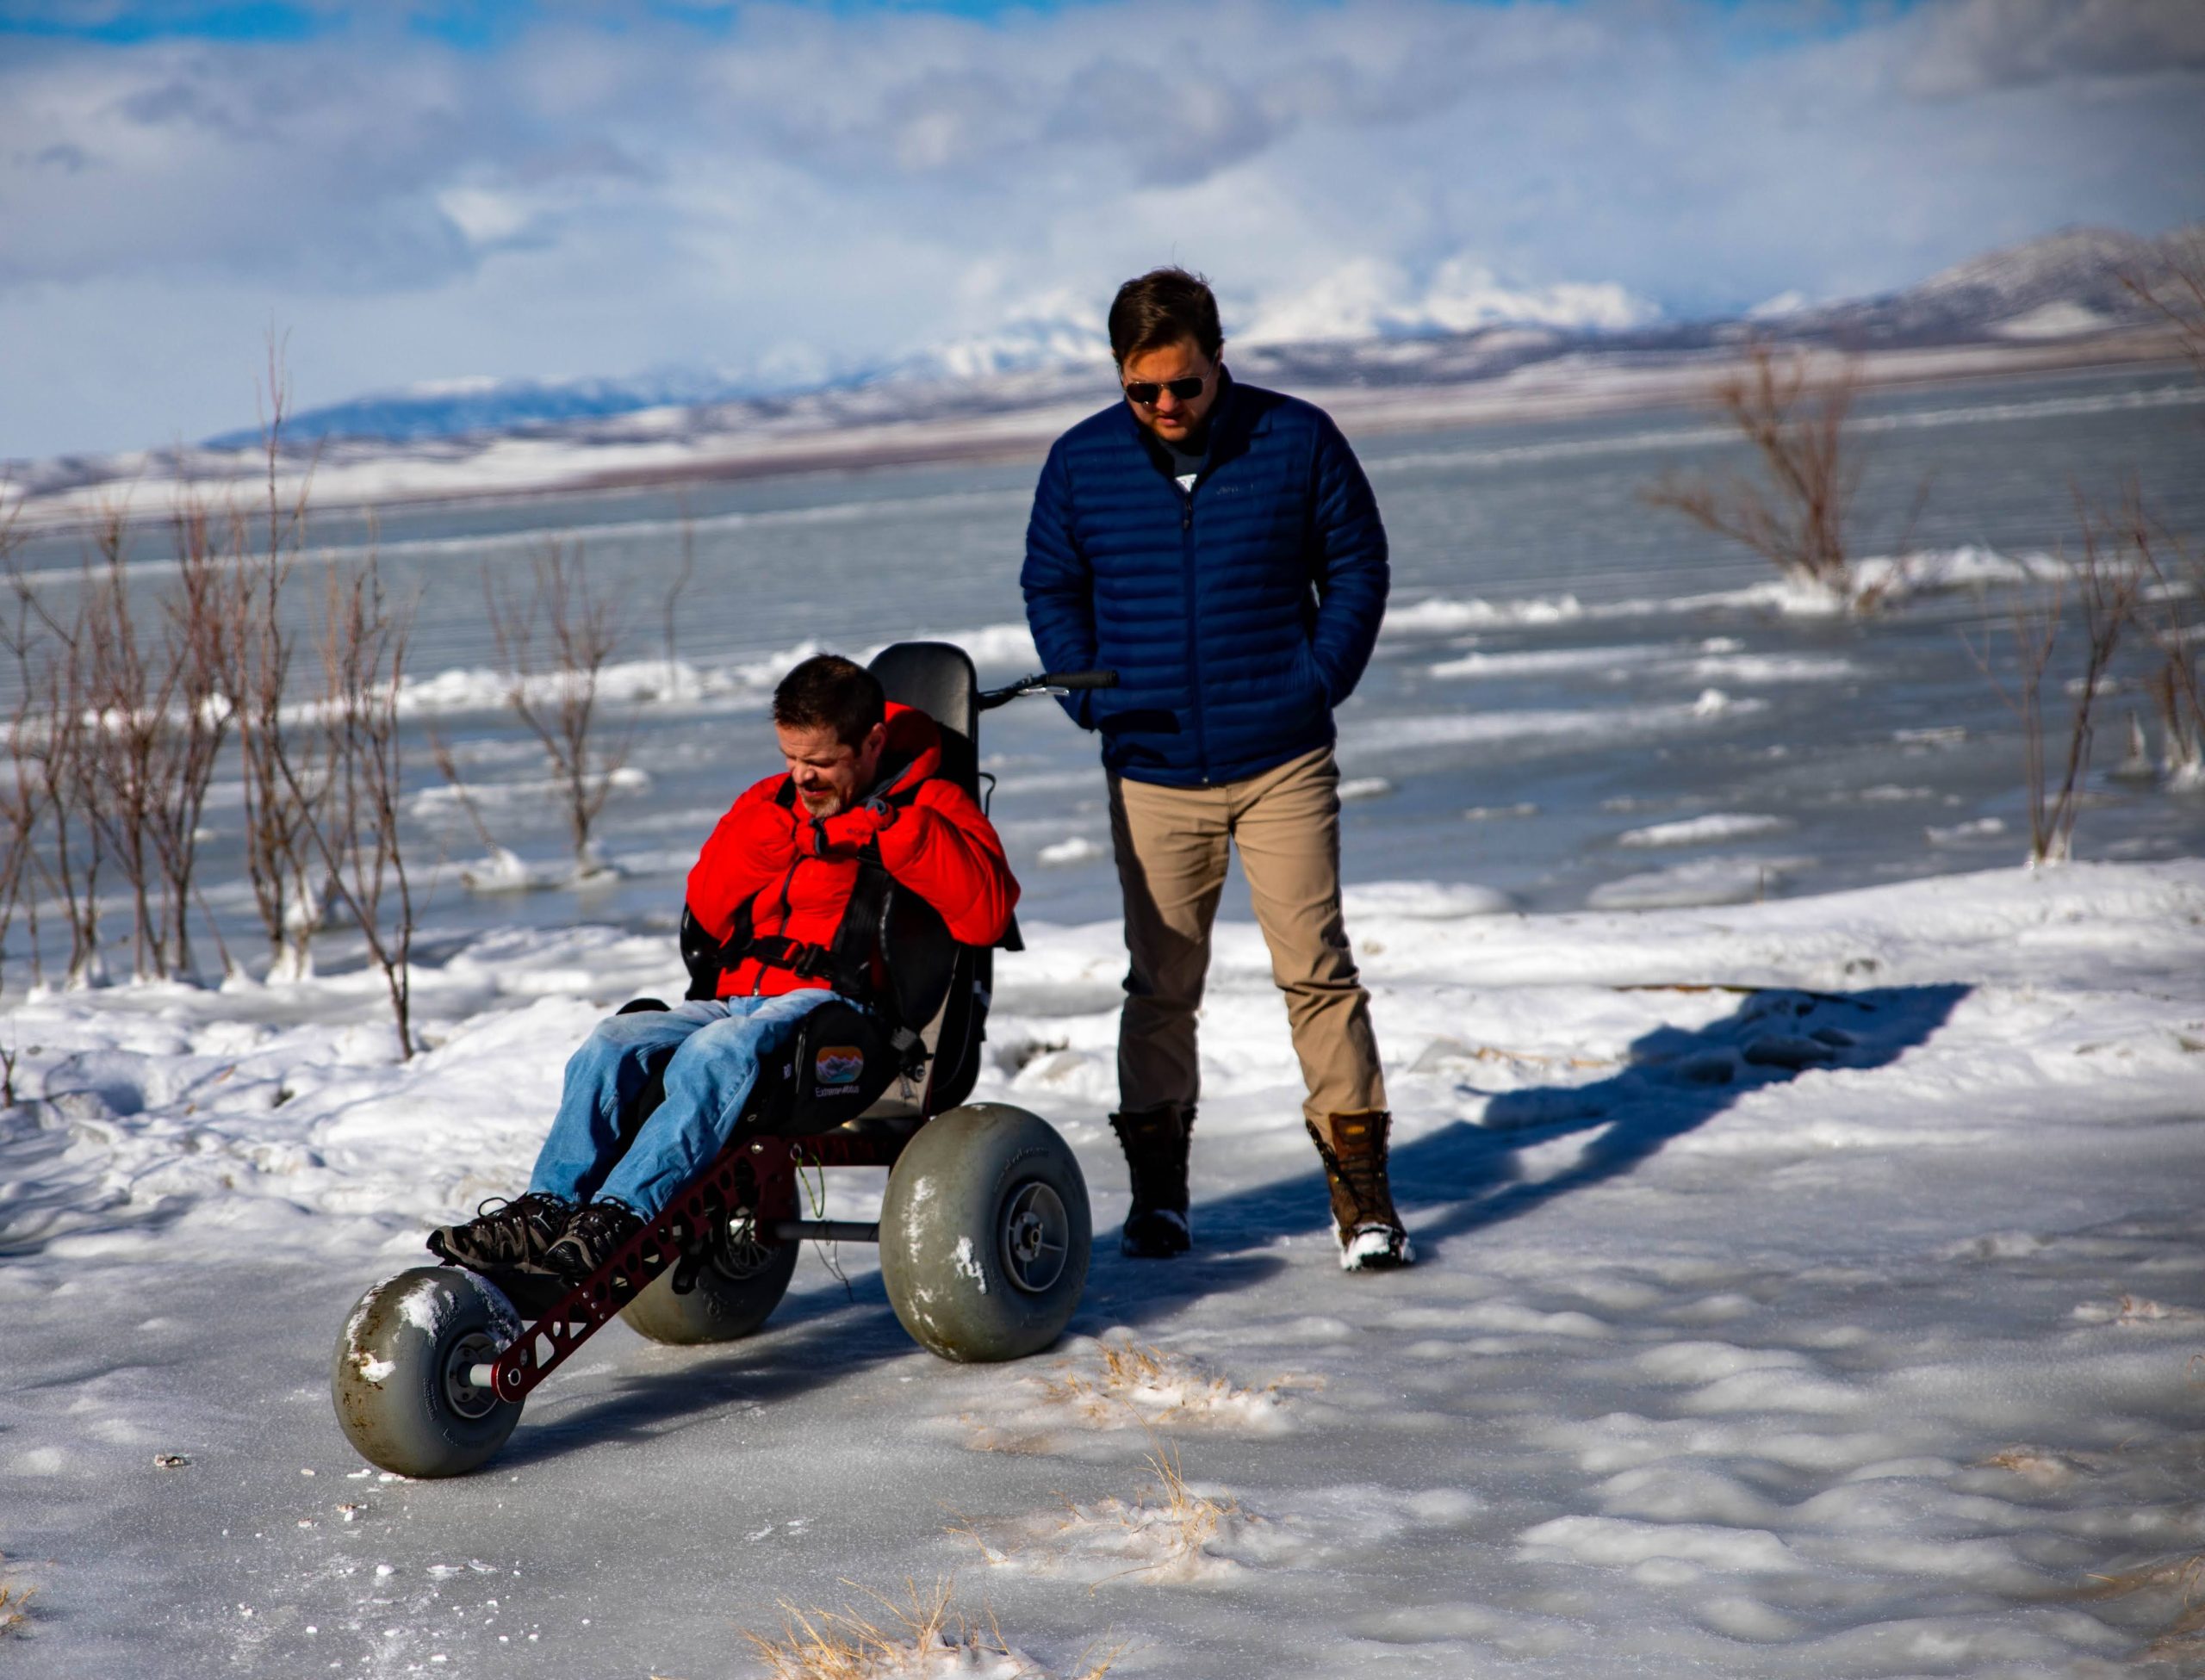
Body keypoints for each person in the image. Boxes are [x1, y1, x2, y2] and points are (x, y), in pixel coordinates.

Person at [1021, 266, 1410, 1271]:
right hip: (1149, 766)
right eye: (1141, 390)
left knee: (1316, 973)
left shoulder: (1296, 437)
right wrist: (1088, 697)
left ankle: (1364, 1202)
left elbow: (1358, 564)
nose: (1164, 407)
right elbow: (1051, 584)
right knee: (1159, 987)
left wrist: (1313, 681)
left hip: (1280, 757)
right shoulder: (1081, 463)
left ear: (1217, 357)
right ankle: (1159, 1202)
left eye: (1182, 386)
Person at [428, 653, 1020, 1281]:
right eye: (791, 759)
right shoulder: (771, 802)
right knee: (612, 1043)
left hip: (839, 1015)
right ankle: (546, 1208)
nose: (802, 778)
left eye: (819, 763)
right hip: (737, 997)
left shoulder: (933, 805)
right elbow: (707, 912)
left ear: (872, 742)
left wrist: (892, 832)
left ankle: (621, 1216)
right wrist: (776, 839)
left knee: (721, 1052)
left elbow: (984, 916)